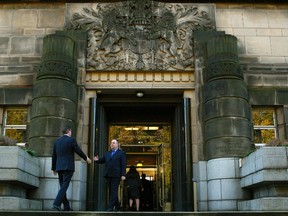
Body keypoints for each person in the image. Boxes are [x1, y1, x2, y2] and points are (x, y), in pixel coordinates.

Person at [51, 125, 91, 211]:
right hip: (68, 167)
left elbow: (54, 155)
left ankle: (66, 206)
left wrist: (53, 168)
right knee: (64, 186)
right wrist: (86, 158)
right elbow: (78, 150)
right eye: (71, 131)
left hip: (59, 167)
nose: (71, 132)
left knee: (62, 186)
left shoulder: (57, 141)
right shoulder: (71, 140)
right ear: (69, 131)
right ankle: (56, 204)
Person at [94, 139, 126, 211]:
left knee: (114, 191)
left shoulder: (121, 153)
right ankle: (118, 207)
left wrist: (123, 174)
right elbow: (102, 160)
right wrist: (97, 160)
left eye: (114, 143)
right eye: (111, 143)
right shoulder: (107, 153)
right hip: (108, 175)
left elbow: (123, 164)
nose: (112, 144)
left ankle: (110, 207)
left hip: (116, 175)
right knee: (112, 191)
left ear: (118, 144)